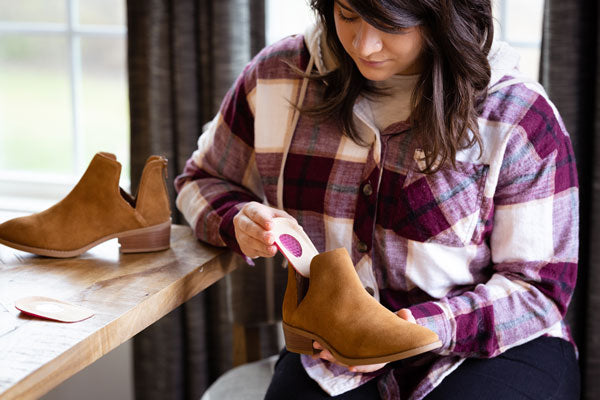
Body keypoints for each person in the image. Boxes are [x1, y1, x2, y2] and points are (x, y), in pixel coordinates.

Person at [174, 0, 580, 398]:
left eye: (392, 25)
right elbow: (202, 180)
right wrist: (236, 219)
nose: (364, 46)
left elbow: (539, 288)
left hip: (494, 346)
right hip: (331, 356)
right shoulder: (277, 77)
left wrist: (406, 330)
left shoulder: (517, 112)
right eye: (347, 15)